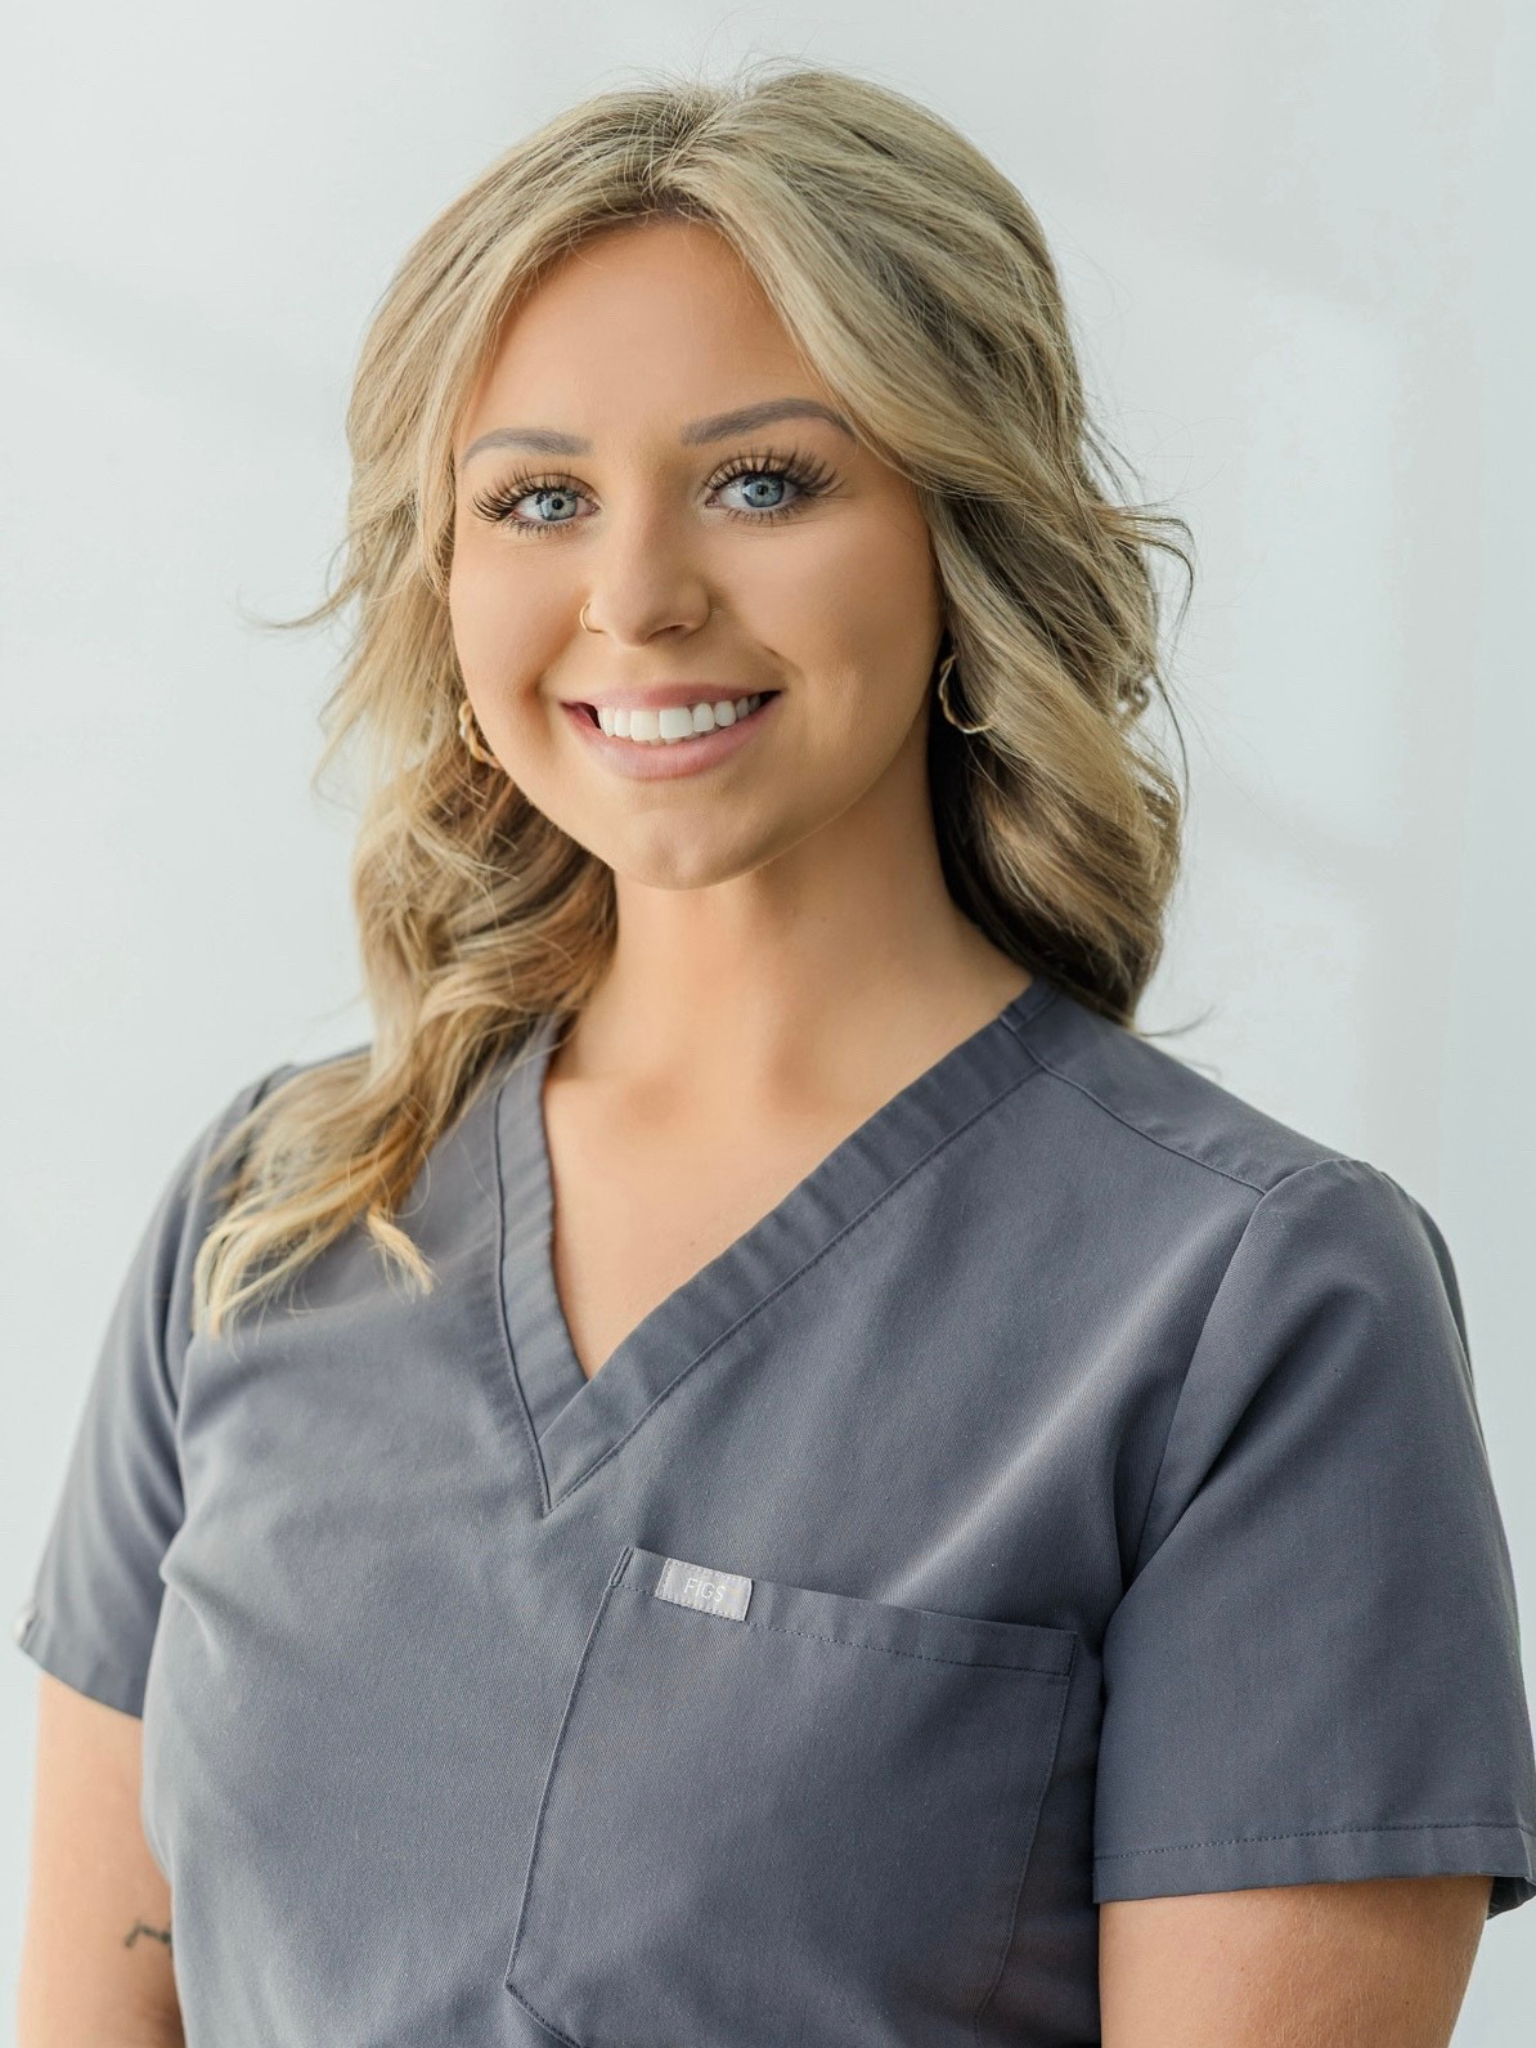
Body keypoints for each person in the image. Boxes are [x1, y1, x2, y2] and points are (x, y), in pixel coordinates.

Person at [14, 59, 1534, 2048]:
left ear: (955, 539)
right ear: (447, 578)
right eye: (538, 498)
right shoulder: (270, 1225)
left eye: (764, 482)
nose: (636, 598)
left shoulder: (1255, 1308)